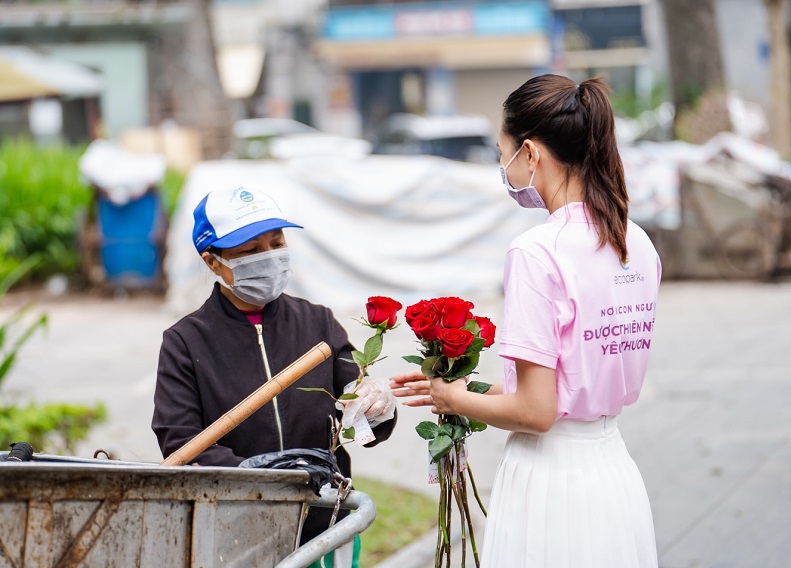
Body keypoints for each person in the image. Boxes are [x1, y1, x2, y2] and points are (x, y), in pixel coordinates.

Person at [390, 74, 661, 567]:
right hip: (613, 476)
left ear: (531, 154)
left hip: (552, 487)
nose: (502, 165)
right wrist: (468, 392)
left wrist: (452, 397)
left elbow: (538, 413)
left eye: (502, 152)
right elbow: (564, 394)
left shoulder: (538, 252)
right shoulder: (635, 242)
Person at [152, 186, 397, 568]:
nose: (269, 257)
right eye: (250, 251)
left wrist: (375, 405)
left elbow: (356, 398)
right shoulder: (185, 342)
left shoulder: (317, 322)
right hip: (234, 533)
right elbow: (181, 442)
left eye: (276, 242)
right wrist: (261, 476)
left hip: (325, 526)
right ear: (213, 262)